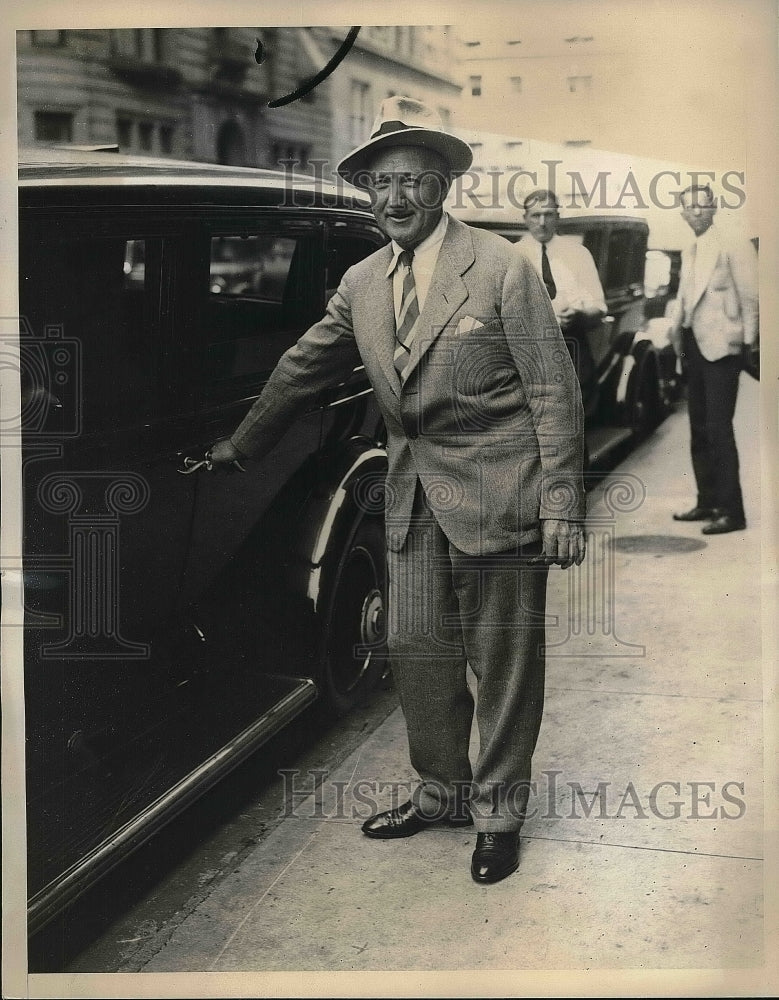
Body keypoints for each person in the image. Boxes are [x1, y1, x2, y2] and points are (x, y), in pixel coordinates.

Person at [209, 96, 586, 884]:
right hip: (414, 500)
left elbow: (554, 391)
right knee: (415, 652)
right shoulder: (361, 283)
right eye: (380, 186)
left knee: (504, 664)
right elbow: (301, 369)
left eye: (412, 181)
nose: (395, 200)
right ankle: (440, 793)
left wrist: (559, 504)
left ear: (442, 186)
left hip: (503, 496)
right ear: (367, 196)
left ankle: (498, 814)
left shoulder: (501, 268)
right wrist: (238, 448)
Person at [669, 183, 758, 535]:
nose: (696, 213)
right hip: (693, 345)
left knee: (720, 429)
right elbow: (685, 296)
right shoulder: (690, 247)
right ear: (682, 213)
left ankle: (732, 512)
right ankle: (707, 502)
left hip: (723, 347)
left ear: (714, 208)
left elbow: (751, 297)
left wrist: (746, 344)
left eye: (702, 206)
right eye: (689, 207)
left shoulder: (733, 243)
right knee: (699, 428)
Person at [516, 189, 607, 389]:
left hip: (572, 345)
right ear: (525, 218)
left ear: (558, 216)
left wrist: (578, 315)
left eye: (548, 214)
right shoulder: (512, 256)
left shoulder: (579, 254)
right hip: (527, 350)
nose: (542, 222)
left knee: (576, 410)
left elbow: (599, 306)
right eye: (535, 215)